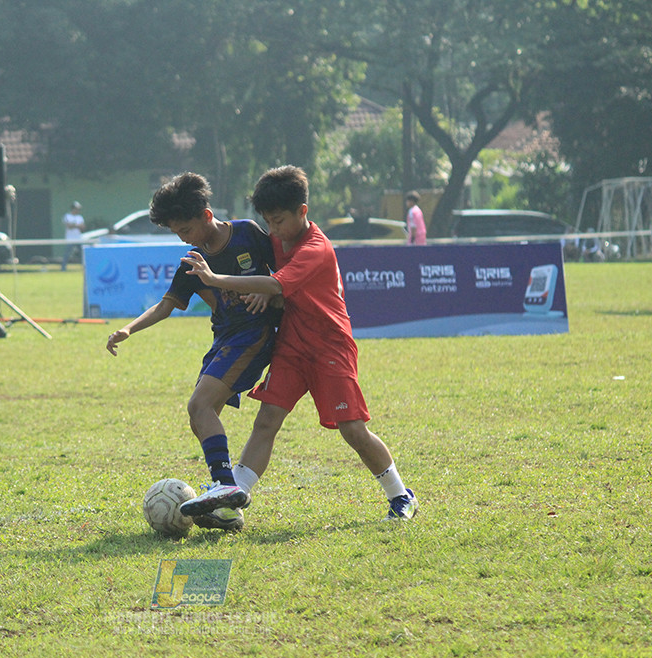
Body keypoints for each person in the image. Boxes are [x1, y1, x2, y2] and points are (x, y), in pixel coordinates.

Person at [180, 165, 418, 523]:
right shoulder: (277, 238)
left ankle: (401, 495)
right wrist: (264, 295)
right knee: (267, 421)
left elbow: (276, 285)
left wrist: (217, 279)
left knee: (352, 430)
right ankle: (232, 497)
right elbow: (270, 284)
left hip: (330, 347)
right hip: (291, 344)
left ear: (302, 212)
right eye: (268, 222)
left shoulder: (316, 249)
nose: (272, 231)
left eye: (278, 222)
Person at [106, 172, 280, 531]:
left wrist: (270, 291)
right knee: (200, 417)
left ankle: (225, 486)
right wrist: (128, 328)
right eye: (176, 232)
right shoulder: (192, 261)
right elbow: (166, 305)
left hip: (253, 336)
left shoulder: (247, 233)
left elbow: (288, 272)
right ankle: (228, 509)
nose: (182, 238)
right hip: (223, 341)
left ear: (205, 215)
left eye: (184, 229)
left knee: (198, 405)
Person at [61, 201, 85, 271]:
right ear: (73, 209)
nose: (78, 210)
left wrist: (75, 225)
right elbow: (69, 226)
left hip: (78, 238)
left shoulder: (80, 217)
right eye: (77, 209)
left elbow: (83, 227)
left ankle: (84, 268)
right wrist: (77, 225)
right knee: (67, 254)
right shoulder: (67, 216)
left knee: (82, 254)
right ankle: (63, 268)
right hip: (70, 239)